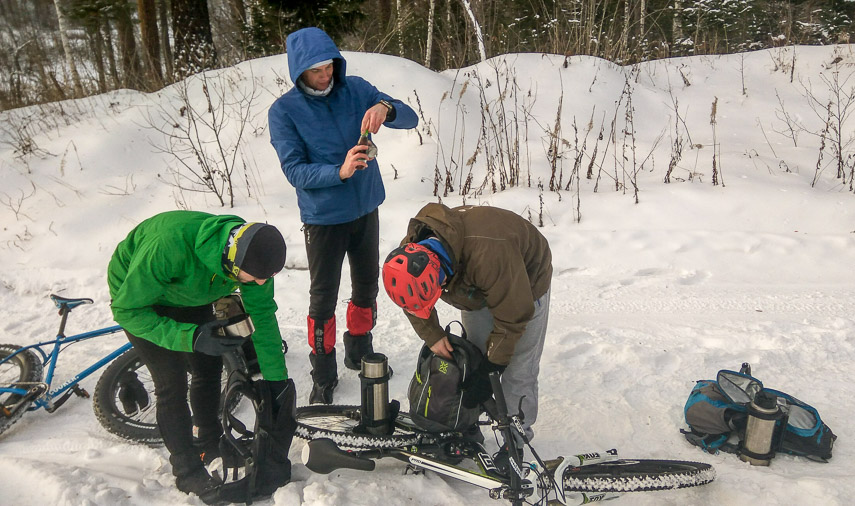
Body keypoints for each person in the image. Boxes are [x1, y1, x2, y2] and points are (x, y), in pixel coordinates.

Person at [268, 27, 418, 404]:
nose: (326, 75)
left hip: (366, 207)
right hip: (323, 218)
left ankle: (358, 349)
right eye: (316, 70)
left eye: (329, 66)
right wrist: (339, 171)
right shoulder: (284, 111)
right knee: (323, 297)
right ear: (299, 71)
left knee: (366, 286)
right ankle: (323, 372)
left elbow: (410, 118)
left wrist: (387, 107)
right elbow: (294, 171)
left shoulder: (356, 88)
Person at [107, 210, 291, 503]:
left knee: (208, 367)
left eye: (266, 277)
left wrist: (276, 380)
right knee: (172, 383)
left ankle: (209, 440)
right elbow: (126, 310)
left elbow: (263, 317)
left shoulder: (252, 254)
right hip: (142, 300)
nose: (260, 283)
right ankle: (186, 469)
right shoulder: (168, 248)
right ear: (233, 263)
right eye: (255, 278)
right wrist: (189, 337)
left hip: (193, 293)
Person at [382, 203, 553, 449]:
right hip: (475, 280)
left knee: (517, 367)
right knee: (473, 356)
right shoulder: (410, 255)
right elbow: (410, 299)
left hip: (524, 280)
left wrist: (491, 368)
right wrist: (433, 335)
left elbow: (513, 318)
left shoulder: (489, 256)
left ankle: (515, 440)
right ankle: (466, 423)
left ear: (440, 276)